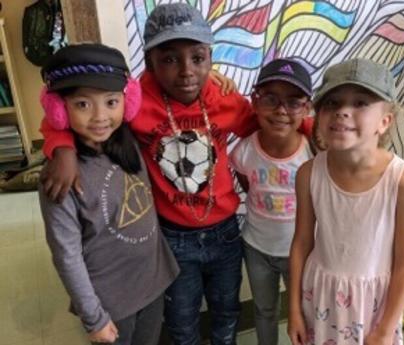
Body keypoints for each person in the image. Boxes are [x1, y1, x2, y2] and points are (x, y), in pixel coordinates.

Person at [37, 3, 276, 344]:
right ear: (149, 64)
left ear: (211, 57)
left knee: (226, 312)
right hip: (171, 239)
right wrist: (61, 145)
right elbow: (80, 108)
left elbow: (269, 124)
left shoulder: (223, 98)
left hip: (224, 233)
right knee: (181, 320)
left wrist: (312, 125)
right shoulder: (134, 102)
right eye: (168, 59)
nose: (186, 72)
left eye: (198, 58)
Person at [37, 43, 179, 345]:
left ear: (127, 103)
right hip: (111, 301)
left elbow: (167, 86)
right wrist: (94, 317)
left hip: (152, 282)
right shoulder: (58, 176)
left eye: (112, 102)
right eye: (83, 104)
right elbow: (66, 254)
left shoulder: (129, 142)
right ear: (59, 110)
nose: (100, 116)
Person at [287, 58, 404, 345]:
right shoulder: (309, 174)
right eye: (332, 103)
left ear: (385, 121)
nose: (342, 112)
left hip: (373, 307)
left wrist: (385, 330)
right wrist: (294, 309)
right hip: (320, 298)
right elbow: (301, 243)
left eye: (360, 103)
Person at [229, 58, 314, 345]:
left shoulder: (312, 155)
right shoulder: (244, 151)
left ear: (307, 108)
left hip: (299, 253)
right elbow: (247, 184)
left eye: (293, 102)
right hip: (256, 248)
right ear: (254, 102)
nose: (281, 111)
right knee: (264, 310)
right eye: (271, 99)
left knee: (302, 311)